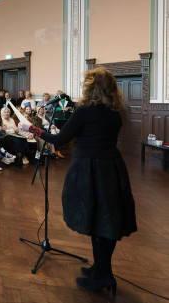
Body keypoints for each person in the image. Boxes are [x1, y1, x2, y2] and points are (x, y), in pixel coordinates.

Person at [20, 68, 136, 295]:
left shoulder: (85, 111)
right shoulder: (115, 111)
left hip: (89, 169)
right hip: (112, 168)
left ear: (91, 87)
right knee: (105, 220)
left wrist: (31, 128)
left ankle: (103, 274)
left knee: (94, 218)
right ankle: (101, 269)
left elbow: (59, 139)